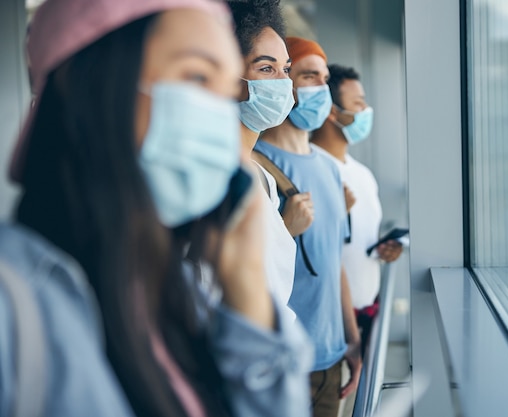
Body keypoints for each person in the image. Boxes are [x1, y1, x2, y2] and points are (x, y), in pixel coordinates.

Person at [0, 1, 312, 416]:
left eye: (222, 93)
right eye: (196, 76)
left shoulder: (177, 288)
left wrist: (247, 286)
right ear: (93, 78)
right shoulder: (12, 307)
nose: (217, 117)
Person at [255, 37, 362, 417]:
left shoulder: (329, 167)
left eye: (324, 77)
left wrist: (352, 339)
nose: (321, 87)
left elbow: (335, 260)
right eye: (307, 76)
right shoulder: (257, 165)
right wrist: (286, 227)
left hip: (330, 357)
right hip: (285, 362)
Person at [227, 0, 313, 321]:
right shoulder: (217, 181)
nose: (282, 82)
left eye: (286, 69)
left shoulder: (263, 177)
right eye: (266, 68)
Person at [311, 64, 403, 342]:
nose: (366, 111)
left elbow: (359, 243)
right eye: (358, 104)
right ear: (332, 112)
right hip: (327, 324)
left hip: (364, 320)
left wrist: (384, 250)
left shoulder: (362, 175)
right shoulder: (310, 171)